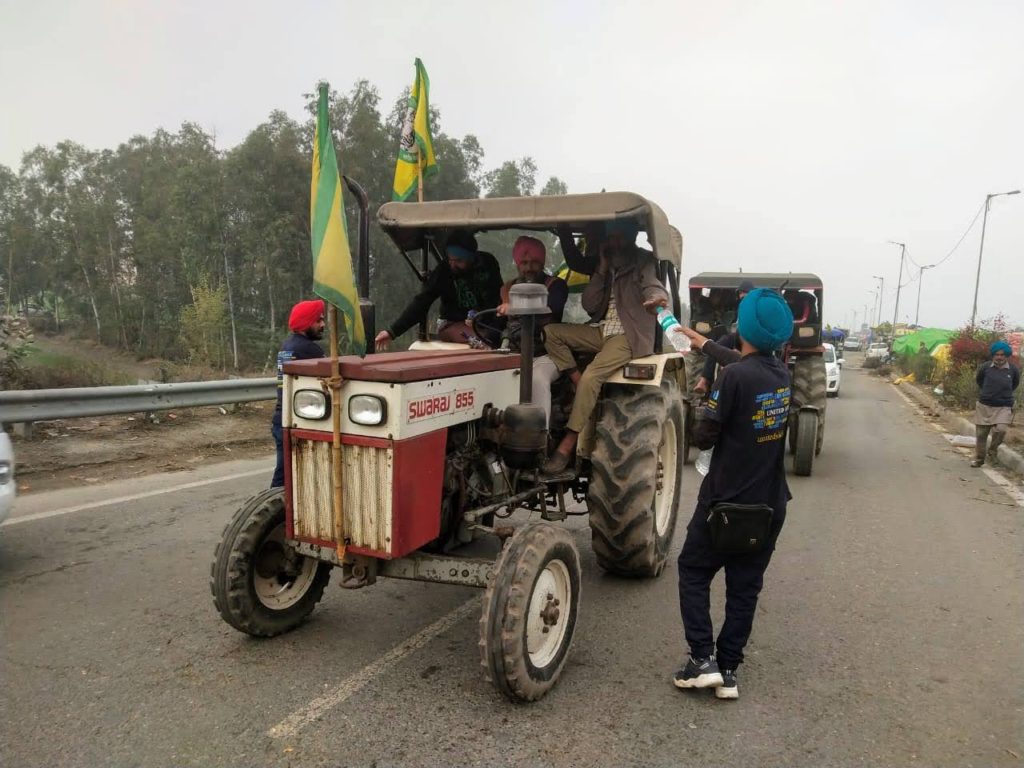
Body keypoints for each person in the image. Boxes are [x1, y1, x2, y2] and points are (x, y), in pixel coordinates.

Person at [673, 288, 794, 701]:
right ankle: (727, 671)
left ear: (742, 327)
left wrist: (704, 403)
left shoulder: (733, 378)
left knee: (693, 570)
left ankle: (700, 659)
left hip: (725, 504)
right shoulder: (782, 375)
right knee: (745, 588)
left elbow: (704, 435)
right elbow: (746, 365)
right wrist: (702, 343)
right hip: (769, 505)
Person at [541, 219, 670, 474]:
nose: (616, 243)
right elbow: (590, 305)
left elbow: (652, 284)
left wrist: (657, 298)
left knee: (593, 375)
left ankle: (567, 444)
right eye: (612, 238)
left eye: (621, 237)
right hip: (602, 329)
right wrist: (600, 268)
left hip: (629, 333)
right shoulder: (604, 262)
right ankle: (578, 383)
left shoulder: (643, 260)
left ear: (631, 237)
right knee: (551, 332)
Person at [374, 231, 503, 350]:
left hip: (483, 322)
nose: (453, 265)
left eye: (459, 260)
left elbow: (498, 296)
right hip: (451, 324)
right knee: (485, 338)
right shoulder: (444, 271)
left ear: (472, 257)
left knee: (501, 334)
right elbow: (422, 301)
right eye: (450, 259)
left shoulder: (488, 263)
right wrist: (392, 332)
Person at [496, 236, 569, 426]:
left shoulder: (556, 286)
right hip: (514, 351)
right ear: (517, 264)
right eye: (524, 263)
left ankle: (540, 435)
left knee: (537, 379)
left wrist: (513, 307)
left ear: (542, 263)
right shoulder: (507, 288)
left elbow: (551, 309)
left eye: (535, 262)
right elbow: (500, 321)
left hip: (547, 352)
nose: (529, 268)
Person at [271, 299, 326, 488]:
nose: (322, 325)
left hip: (282, 417)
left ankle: (277, 500)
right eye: (318, 320)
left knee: (285, 472)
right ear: (306, 322)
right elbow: (329, 378)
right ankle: (275, 504)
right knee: (288, 476)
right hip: (297, 419)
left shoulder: (287, 345)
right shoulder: (308, 349)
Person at [694, 280, 755, 395]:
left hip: (752, 336)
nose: (742, 295)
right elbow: (735, 325)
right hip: (738, 335)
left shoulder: (756, 307)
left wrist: (739, 347)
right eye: (741, 293)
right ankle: (704, 381)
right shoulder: (738, 308)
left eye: (745, 292)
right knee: (714, 346)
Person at [970, 340, 1020, 468]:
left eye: (1002, 355)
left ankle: (992, 451)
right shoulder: (985, 367)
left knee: (1001, 430)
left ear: (1007, 356)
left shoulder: (1013, 370)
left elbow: (1014, 384)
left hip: (1004, 406)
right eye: (997, 354)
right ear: (993, 355)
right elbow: (980, 381)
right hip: (984, 406)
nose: (999, 357)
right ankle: (979, 459)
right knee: (981, 435)